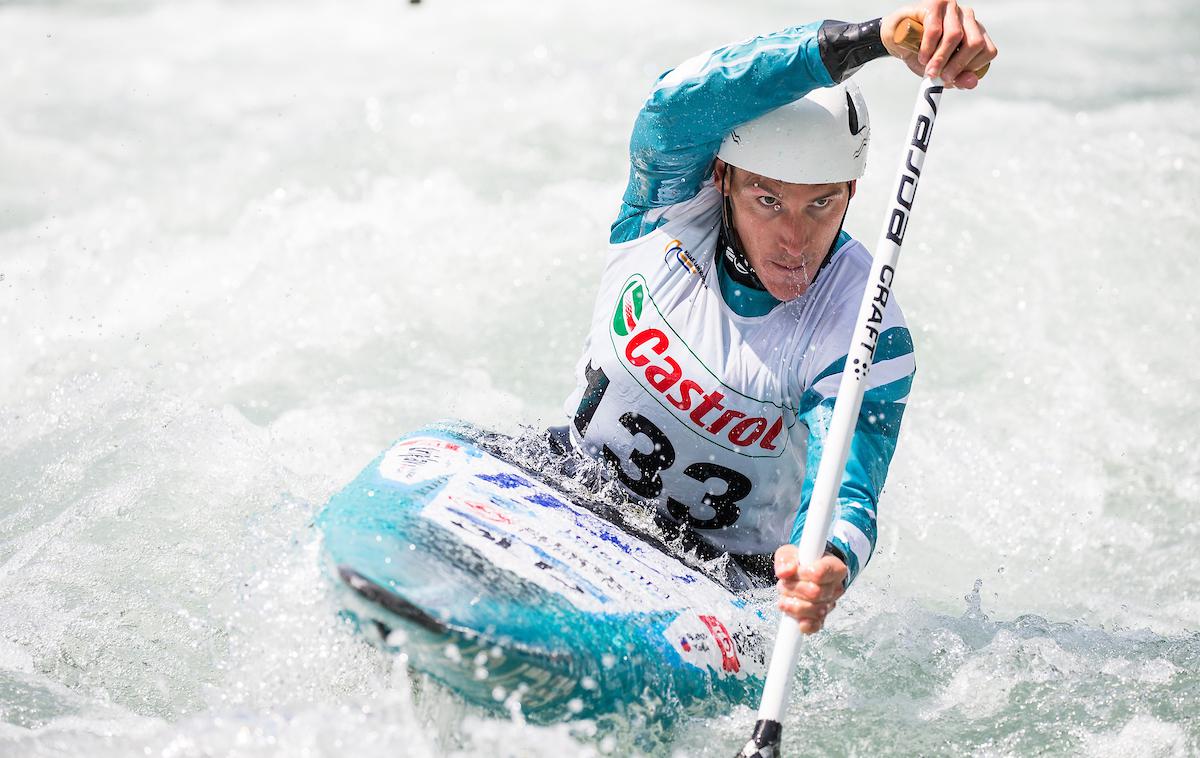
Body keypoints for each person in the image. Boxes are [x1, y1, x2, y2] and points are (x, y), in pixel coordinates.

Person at [560, 1, 996, 634]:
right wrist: (872, 40)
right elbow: (680, 99)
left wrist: (828, 561)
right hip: (562, 484)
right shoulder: (667, 206)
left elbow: (846, 491)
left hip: (715, 578)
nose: (795, 240)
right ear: (724, 178)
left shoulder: (862, 325)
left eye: (820, 204)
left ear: (851, 192)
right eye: (769, 201)